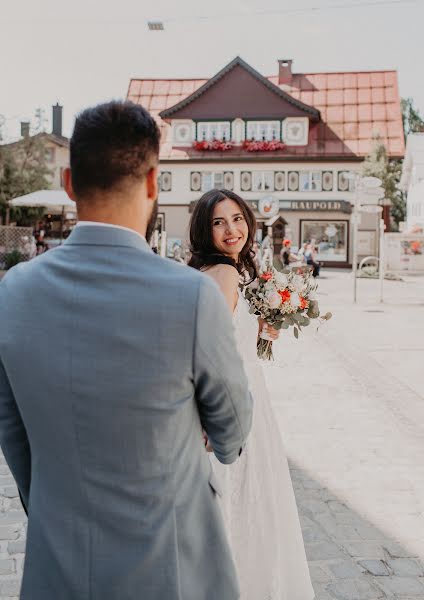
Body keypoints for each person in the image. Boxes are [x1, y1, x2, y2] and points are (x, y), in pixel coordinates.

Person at [0, 102, 253, 600]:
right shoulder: (192, 296)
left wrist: (55, 506)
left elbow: (13, 432)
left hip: (60, 567)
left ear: (70, 183)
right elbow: (232, 428)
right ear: (154, 183)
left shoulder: (13, 293)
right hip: (172, 568)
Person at [188, 189, 315, 600]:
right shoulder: (224, 274)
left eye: (238, 218)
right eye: (219, 222)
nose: (232, 229)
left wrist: (260, 329)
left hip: (244, 391)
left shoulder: (226, 270)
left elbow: (226, 335)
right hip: (235, 400)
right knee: (244, 503)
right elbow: (208, 352)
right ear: (204, 230)